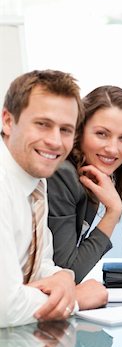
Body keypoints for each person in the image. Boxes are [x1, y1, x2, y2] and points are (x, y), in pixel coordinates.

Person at [0, 70, 108, 328]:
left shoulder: (36, 180)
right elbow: (5, 306)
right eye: (42, 124)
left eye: (65, 130)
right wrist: (76, 299)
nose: (55, 142)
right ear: (7, 121)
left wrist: (63, 278)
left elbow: (41, 264)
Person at [47, 86, 122, 282]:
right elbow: (67, 273)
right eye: (102, 134)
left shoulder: (92, 175)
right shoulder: (63, 174)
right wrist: (113, 212)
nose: (112, 149)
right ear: (79, 131)